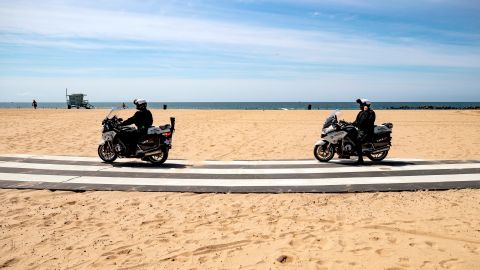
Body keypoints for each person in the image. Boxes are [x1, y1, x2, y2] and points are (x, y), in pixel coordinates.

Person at [352, 98, 376, 164]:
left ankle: (360, 159)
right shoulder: (361, 112)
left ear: (366, 105)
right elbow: (357, 121)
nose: (360, 106)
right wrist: (349, 123)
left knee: (358, 141)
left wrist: (365, 111)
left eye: (361, 104)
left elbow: (365, 121)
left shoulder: (371, 113)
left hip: (367, 132)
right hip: (361, 131)